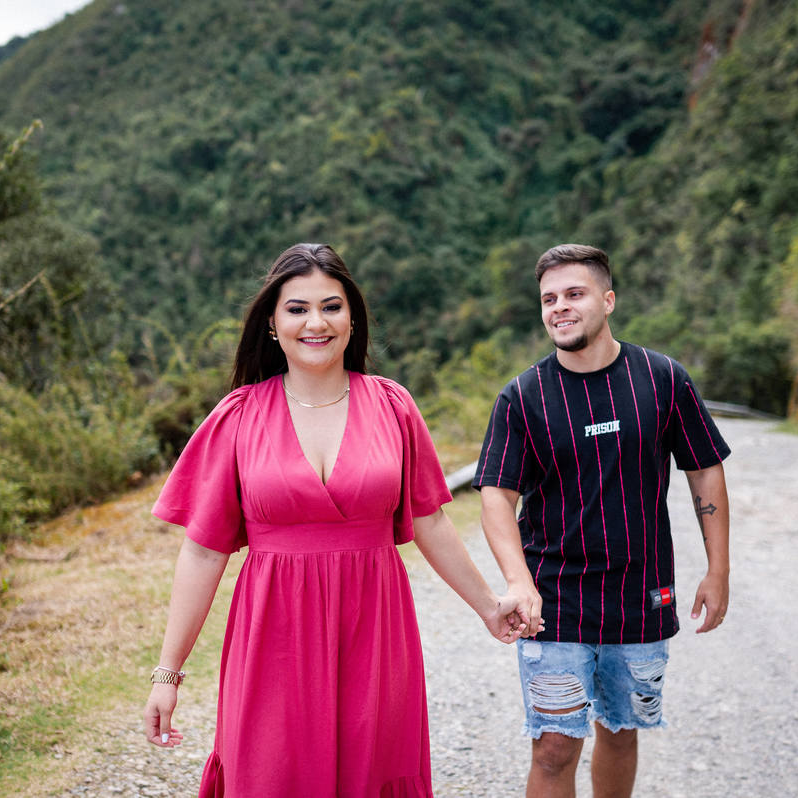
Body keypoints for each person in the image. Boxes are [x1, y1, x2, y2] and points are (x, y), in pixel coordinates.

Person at [143, 242, 530, 797]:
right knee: (272, 774)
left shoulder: (393, 406)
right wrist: (167, 673)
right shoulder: (238, 415)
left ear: (352, 318)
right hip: (272, 633)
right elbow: (203, 551)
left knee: (370, 772)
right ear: (272, 324)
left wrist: (489, 607)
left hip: (375, 630)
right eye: (297, 309)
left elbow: (431, 523)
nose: (316, 322)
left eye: (331, 306)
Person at [473, 244, 731, 798]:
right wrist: (518, 581)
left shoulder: (663, 379)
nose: (560, 307)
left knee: (619, 730)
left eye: (574, 294)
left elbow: (704, 469)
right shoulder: (523, 397)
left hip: (641, 597)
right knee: (553, 746)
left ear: (608, 300)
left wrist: (718, 569)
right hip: (554, 600)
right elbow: (496, 494)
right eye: (549, 299)